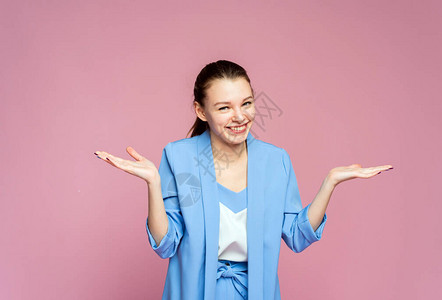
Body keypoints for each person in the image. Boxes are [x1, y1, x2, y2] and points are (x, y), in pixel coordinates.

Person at [94, 60, 393, 300]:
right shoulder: (180, 158)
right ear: (201, 111)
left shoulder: (276, 161)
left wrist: (330, 182)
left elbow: (297, 236)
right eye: (224, 107)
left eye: (246, 103)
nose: (240, 116)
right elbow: (166, 244)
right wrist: (153, 185)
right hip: (192, 292)